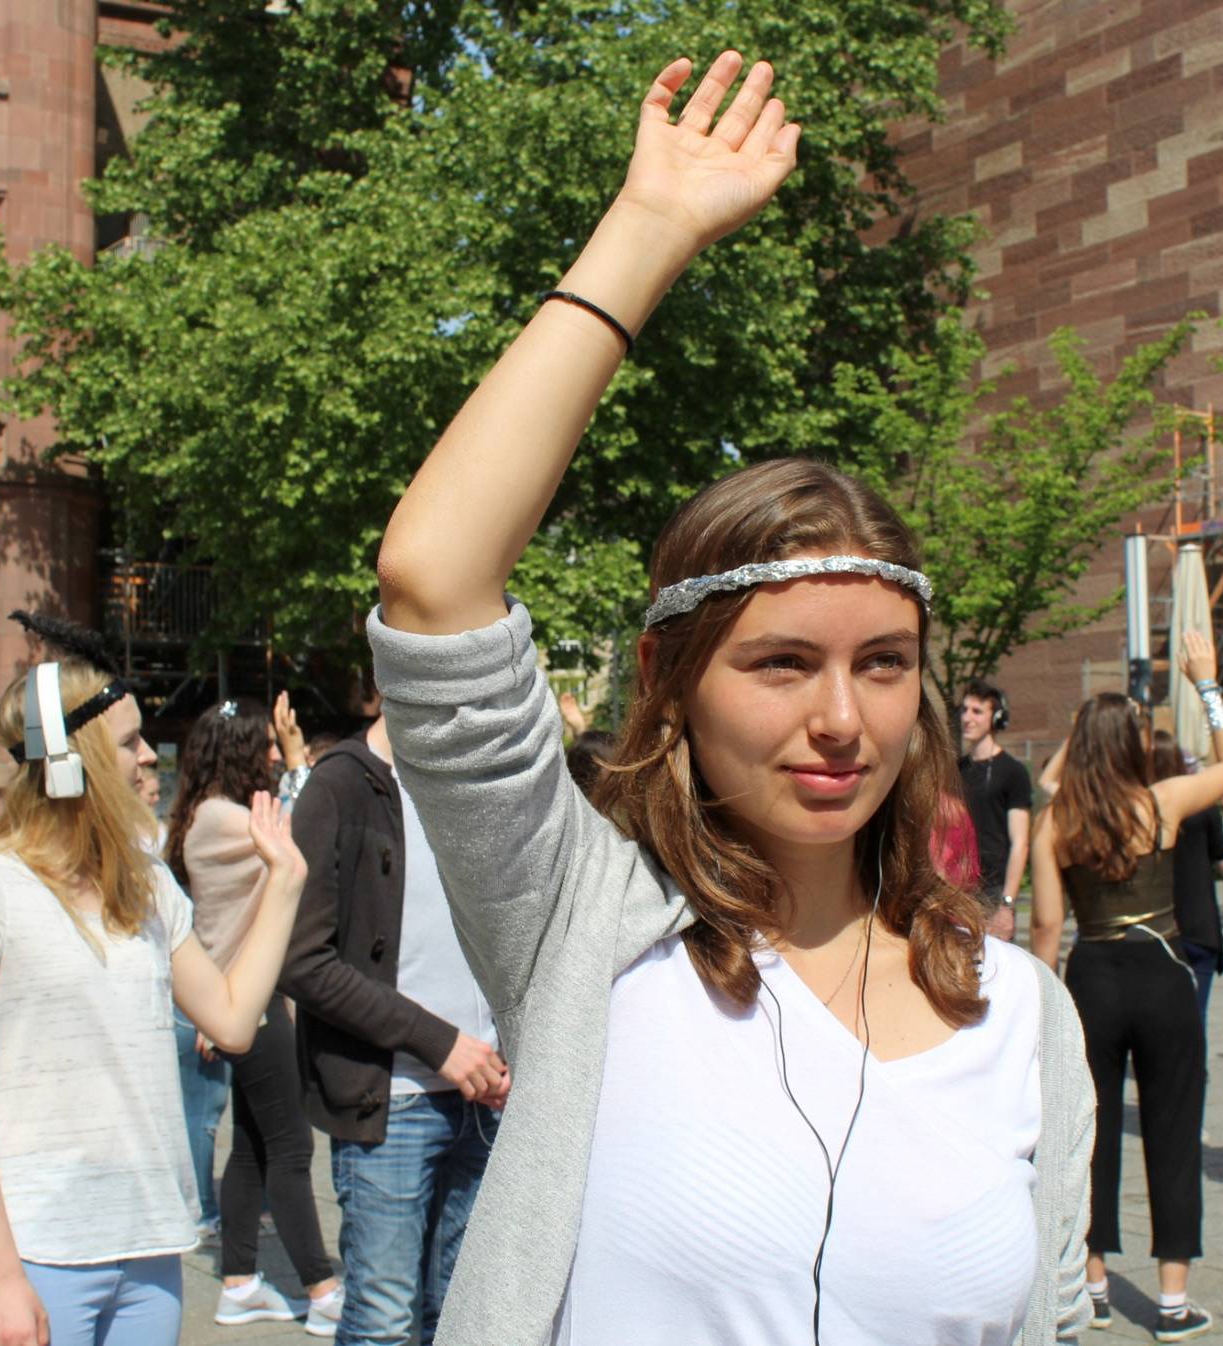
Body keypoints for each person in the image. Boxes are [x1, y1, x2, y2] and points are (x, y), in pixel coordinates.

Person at [370, 51, 1093, 1346]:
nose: (843, 717)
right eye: (781, 662)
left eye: (883, 662)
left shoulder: (1022, 1009)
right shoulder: (583, 928)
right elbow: (434, 583)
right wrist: (649, 229)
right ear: (669, 680)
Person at [0, 654, 307, 1346]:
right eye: (129, 742)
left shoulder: (147, 884)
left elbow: (230, 1019)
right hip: (36, 1251)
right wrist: (2, 1280)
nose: (149, 757)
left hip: (148, 1244)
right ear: (72, 758)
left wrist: (283, 886)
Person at [1029, 635, 1223, 1341]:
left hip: (1092, 977)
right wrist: (1206, 684)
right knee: (1174, 1129)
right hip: (1163, 976)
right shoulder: (1162, 802)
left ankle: (1092, 1285)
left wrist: (1041, 1013)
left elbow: (1047, 926)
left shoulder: (1057, 820)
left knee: (1089, 1135)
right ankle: (1174, 1301)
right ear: (1132, 745)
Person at [283, 698, 506, 1346]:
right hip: (394, 1101)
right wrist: (438, 1043)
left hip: (487, 1094)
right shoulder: (339, 784)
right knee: (383, 1323)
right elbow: (302, 960)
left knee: (461, 1317)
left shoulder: (478, 781)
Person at [166, 698, 344, 1332]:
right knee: (292, 1147)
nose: (270, 754)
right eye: (263, 744)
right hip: (252, 1003)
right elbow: (306, 838)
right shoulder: (222, 820)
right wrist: (298, 761)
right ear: (237, 750)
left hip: (242, 999)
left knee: (252, 1147)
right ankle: (322, 1290)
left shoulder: (206, 815)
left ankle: (239, 1281)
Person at [1151, 731, 1223, 1023]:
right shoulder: (1202, 809)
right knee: (1194, 1021)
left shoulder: (1137, 810)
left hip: (1155, 928)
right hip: (1199, 928)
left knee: (1158, 1023)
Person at [959, 679, 1031, 941]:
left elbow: (1020, 842)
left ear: (996, 718)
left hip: (994, 893)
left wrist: (1007, 904)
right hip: (958, 891)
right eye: (964, 710)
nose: (967, 718)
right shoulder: (955, 770)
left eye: (977, 711)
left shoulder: (1013, 772)